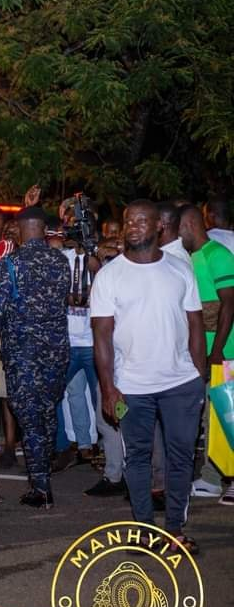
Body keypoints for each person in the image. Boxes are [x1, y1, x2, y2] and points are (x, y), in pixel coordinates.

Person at [91, 199, 206, 553]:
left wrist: (199, 378)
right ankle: (145, 531)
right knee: (137, 457)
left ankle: (175, 530)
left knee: (181, 456)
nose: (134, 227)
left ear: (159, 226)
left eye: (143, 221)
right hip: (132, 387)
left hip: (180, 383)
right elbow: (102, 338)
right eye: (129, 221)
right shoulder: (109, 275)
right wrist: (109, 388)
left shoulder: (179, 269)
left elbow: (196, 326)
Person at [0, 206, 71, 508]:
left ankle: (41, 487)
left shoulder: (11, 263)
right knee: (47, 412)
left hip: (23, 351)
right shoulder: (61, 261)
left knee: (29, 418)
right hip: (56, 349)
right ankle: (43, 474)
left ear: (20, 229)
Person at [177, 203, 234, 498]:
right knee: (214, 417)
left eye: (178, 229)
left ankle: (221, 479)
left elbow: (229, 303)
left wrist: (219, 348)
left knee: (228, 415)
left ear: (189, 225)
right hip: (207, 351)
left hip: (225, 352)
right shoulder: (193, 257)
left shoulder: (218, 256)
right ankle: (212, 478)